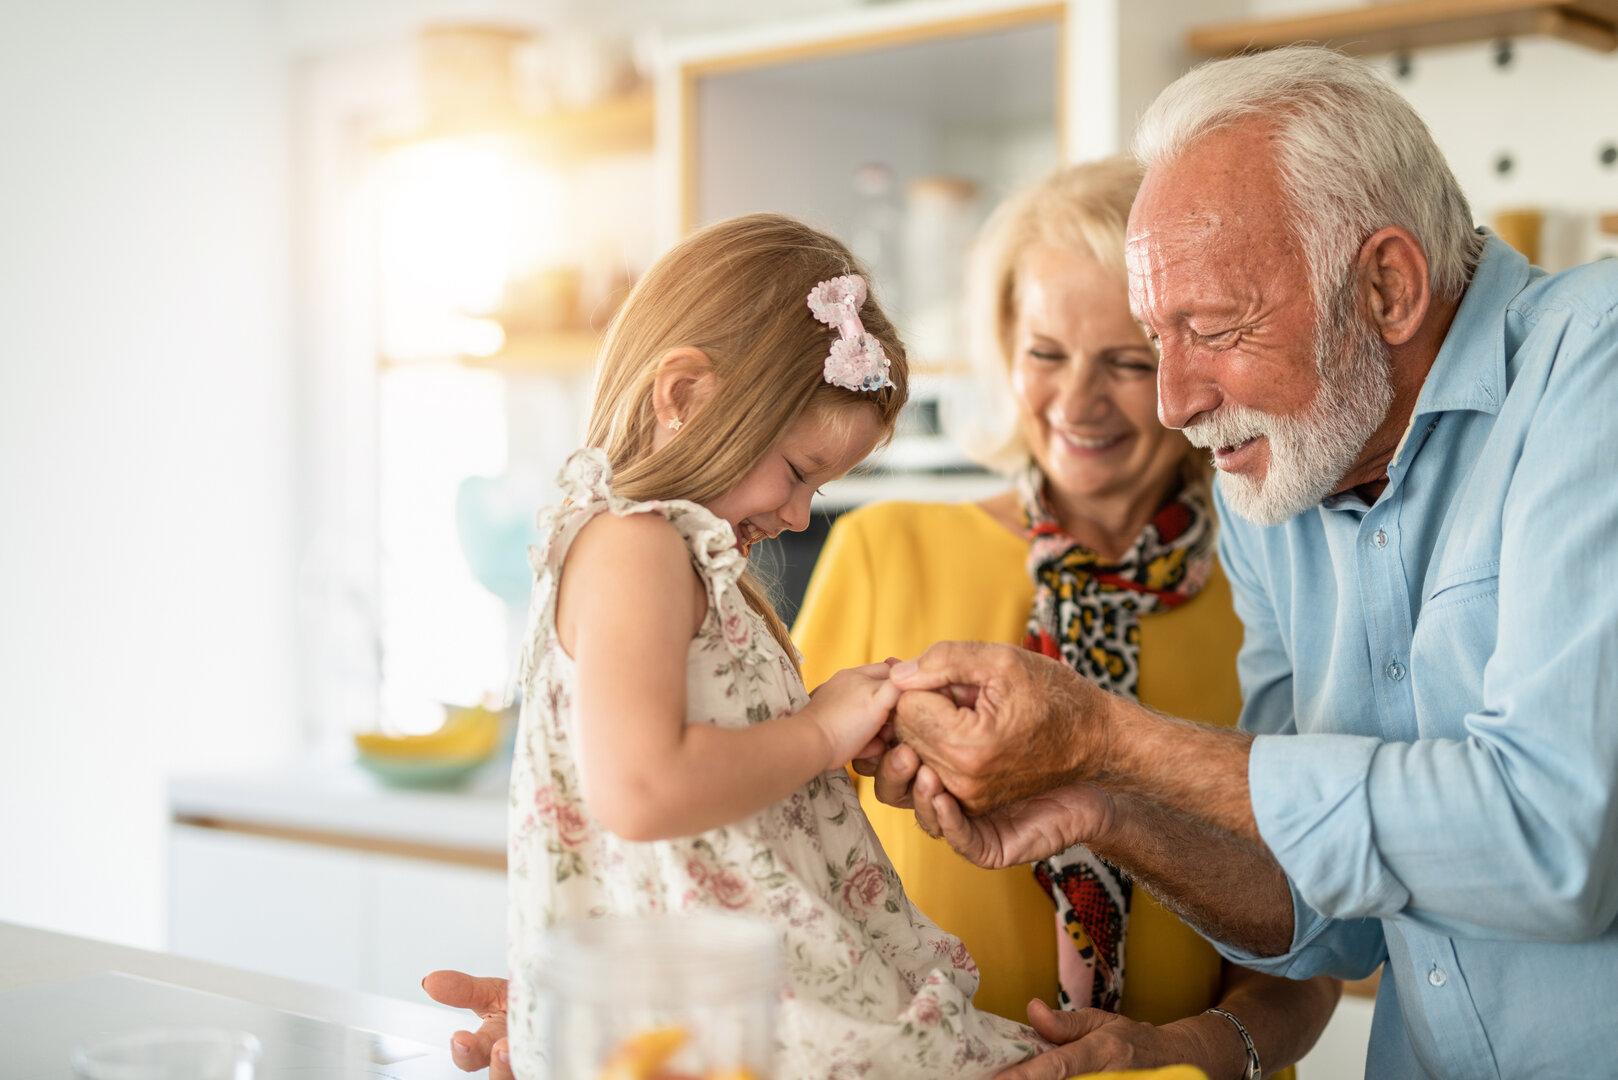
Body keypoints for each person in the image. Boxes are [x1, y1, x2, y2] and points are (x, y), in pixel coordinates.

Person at [873, 45, 1618, 1080]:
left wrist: (1110, 737)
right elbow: (1323, 917)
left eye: (1210, 330)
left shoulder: (1597, 367)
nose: (1174, 402)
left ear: (1387, 287)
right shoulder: (1274, 483)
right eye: (1155, 339)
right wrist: (1099, 804)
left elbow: (1557, 842)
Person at [439, 213, 1049, 1080]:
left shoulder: (676, 557)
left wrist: (830, 732)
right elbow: (645, 791)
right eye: (798, 473)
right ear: (684, 397)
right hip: (706, 1011)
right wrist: (821, 734)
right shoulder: (632, 544)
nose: (800, 515)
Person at [793, 159, 1337, 1079]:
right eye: (1046, 353)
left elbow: (1320, 941)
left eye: (1128, 362)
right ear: (1005, 346)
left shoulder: (1279, 592)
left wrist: (1186, 1052)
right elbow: (763, 856)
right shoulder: (885, 552)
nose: (1078, 404)